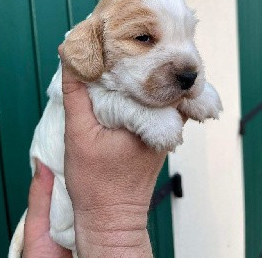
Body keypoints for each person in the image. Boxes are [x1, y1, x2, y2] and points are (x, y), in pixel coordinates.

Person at [22, 49, 176, 258]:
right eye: (143, 39)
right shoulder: (82, 76)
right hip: (64, 217)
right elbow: (101, 104)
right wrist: (110, 236)